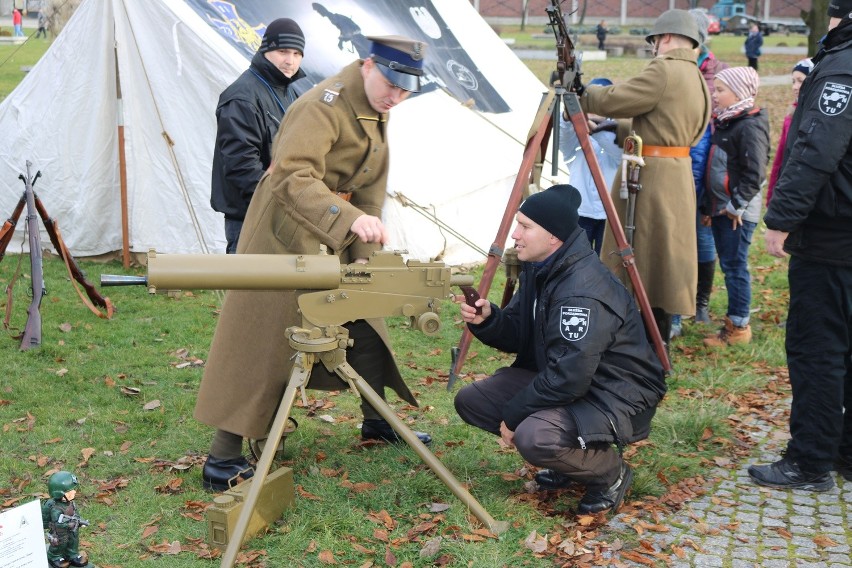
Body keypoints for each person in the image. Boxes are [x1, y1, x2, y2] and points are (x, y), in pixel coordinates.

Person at [196, 35, 432, 491]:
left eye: (406, 90)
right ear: (368, 65)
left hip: (336, 229)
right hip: (284, 234)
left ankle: (377, 420)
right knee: (262, 343)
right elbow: (290, 175)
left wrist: (364, 252)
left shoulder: (375, 102)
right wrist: (350, 219)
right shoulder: (322, 105)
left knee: (363, 320)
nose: (396, 96)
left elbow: (371, 185)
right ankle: (222, 458)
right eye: (391, 83)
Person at [453, 184, 666, 515]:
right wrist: (488, 319)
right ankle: (571, 461)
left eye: (525, 227)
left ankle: (609, 472)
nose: (515, 236)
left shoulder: (581, 291)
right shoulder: (542, 268)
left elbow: (569, 375)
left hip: (618, 394)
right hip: (577, 380)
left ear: (553, 237)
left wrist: (514, 415)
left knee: (533, 436)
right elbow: (521, 335)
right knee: (473, 401)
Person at [748, 0, 852, 491]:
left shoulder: (841, 66)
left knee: (817, 350)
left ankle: (810, 462)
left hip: (833, 238)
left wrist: (781, 218)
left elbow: (815, 150)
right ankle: (844, 450)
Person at [578, 9, 711, 346]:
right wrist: (615, 127)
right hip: (675, 176)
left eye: (655, 41)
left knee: (644, 257)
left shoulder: (664, 69)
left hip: (652, 178)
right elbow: (667, 125)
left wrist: (583, 92)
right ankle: (656, 339)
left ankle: (641, 343)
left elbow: (617, 99)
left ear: (663, 38)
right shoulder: (695, 75)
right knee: (665, 258)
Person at [210, 18, 311, 254]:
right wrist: (286, 200)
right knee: (247, 288)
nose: (290, 61)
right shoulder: (242, 97)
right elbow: (241, 168)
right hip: (251, 216)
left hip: (282, 212)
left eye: (297, 54)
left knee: (278, 290)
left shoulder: (291, 92)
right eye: (283, 51)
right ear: (266, 49)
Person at [700, 67, 769, 347]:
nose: (715, 96)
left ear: (740, 93)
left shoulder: (749, 125)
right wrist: (709, 206)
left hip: (736, 214)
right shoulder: (726, 121)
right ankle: (734, 321)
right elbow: (713, 167)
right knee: (729, 264)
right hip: (720, 209)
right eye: (715, 90)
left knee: (735, 266)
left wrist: (735, 205)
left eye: (721, 91)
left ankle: (739, 327)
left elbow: (755, 173)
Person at [672, 9, 727, 337]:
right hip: (679, 162)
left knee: (702, 240)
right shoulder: (674, 68)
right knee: (677, 245)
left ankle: (700, 304)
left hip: (704, 166)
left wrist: (707, 190)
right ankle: (676, 312)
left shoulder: (716, 71)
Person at [559, 77, 620, 256]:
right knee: (576, 262)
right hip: (581, 211)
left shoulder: (619, 130)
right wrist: (567, 117)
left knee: (607, 263)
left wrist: (595, 128)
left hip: (611, 214)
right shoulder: (575, 131)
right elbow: (564, 141)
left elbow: (617, 151)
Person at [766, 58, 814, 205]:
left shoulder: (817, 118)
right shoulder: (791, 115)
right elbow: (780, 158)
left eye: (800, 81)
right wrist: (771, 196)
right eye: (793, 81)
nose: (795, 86)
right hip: (786, 190)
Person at [42, 471, 90, 568]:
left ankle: (72, 554)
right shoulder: (56, 508)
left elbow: (75, 514)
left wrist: (79, 521)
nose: (74, 492)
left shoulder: (71, 503)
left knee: (73, 541)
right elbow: (58, 522)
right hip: (60, 532)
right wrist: (69, 524)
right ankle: (54, 556)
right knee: (60, 544)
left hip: (72, 529)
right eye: (70, 492)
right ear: (59, 494)